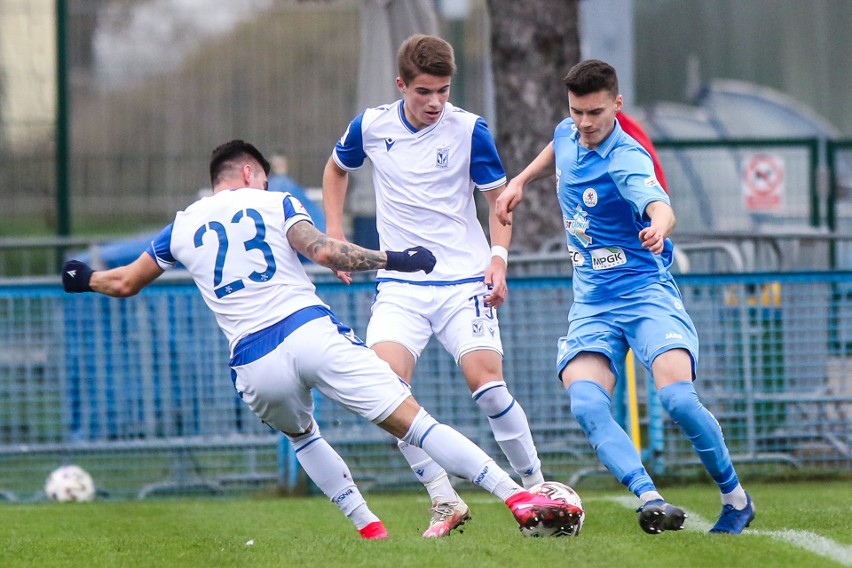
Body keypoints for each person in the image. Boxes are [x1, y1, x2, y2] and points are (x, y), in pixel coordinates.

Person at [61, 140, 581, 539]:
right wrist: (397, 259)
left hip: (252, 362)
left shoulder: (179, 227)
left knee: (304, 437)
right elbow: (324, 252)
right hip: (307, 330)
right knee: (415, 422)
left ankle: (372, 532)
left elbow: (124, 282)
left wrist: (83, 278)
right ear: (249, 173)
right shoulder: (276, 203)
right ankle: (515, 497)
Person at [495, 60, 755, 535]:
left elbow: (659, 203)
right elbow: (556, 145)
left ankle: (735, 498)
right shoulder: (568, 132)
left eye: (595, 112)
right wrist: (520, 181)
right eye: (576, 111)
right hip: (592, 303)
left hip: (644, 293)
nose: (585, 123)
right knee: (587, 405)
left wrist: (658, 224)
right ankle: (648, 497)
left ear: (616, 104)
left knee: (676, 399)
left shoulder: (626, 157)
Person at [322, 34, 545, 537]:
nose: (435, 102)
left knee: (487, 389)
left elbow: (500, 201)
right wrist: (334, 234)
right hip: (400, 285)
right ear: (402, 85)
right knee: (385, 395)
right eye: (424, 91)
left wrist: (499, 257)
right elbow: (337, 169)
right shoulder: (372, 126)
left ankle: (538, 488)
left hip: (464, 279)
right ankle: (445, 499)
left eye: (444, 90)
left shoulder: (470, 130)